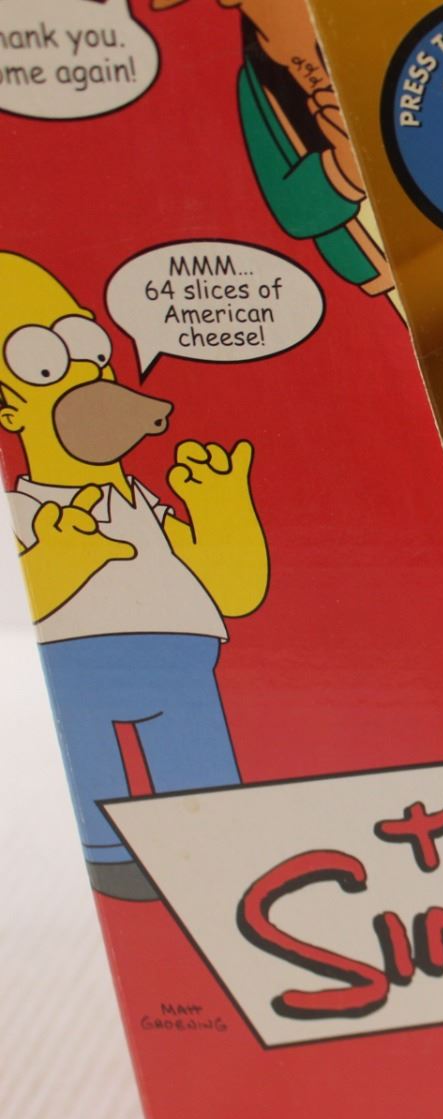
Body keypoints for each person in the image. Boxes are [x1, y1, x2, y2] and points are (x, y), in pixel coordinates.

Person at [1, 253, 268, 900]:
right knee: (97, 770)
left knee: (201, 778)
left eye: (88, 351)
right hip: (79, 664)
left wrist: (225, 509)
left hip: (184, 659)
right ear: (10, 409)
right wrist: (64, 555)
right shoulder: (32, 512)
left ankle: (222, 853)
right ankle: (113, 859)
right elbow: (41, 594)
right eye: (44, 364)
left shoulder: (142, 503)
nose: (83, 377)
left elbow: (234, 592)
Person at [152, 0, 400, 312]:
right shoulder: (256, 86)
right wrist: (341, 173)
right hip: (375, 262)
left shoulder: (364, 31)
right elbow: (290, 207)